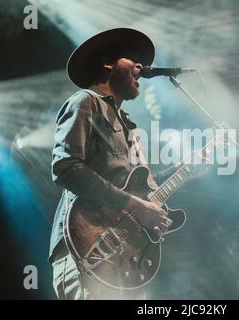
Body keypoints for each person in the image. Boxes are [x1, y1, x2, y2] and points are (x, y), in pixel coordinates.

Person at [49, 28, 175, 300]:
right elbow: (65, 167)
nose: (141, 68)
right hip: (88, 247)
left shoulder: (127, 124)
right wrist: (136, 206)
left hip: (125, 256)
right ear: (108, 63)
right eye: (133, 59)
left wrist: (187, 168)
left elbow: (140, 187)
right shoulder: (85, 101)